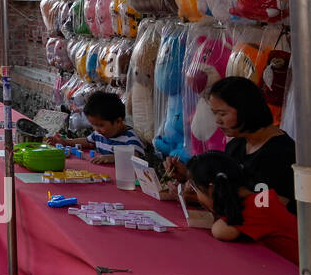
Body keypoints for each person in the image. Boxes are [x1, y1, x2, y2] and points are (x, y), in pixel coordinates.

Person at [164, 77, 297, 212]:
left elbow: (282, 208)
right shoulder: (236, 145)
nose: (218, 121)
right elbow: (225, 187)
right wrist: (188, 176)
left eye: (222, 114)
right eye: (215, 114)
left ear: (246, 109)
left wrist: (200, 198)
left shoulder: (283, 154)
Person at [184, 151, 298, 264]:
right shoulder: (257, 198)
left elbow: (220, 231)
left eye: (196, 189)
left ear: (211, 188)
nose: (196, 195)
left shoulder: (257, 206)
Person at [48, 91, 143, 165]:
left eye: (101, 125)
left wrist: (113, 158)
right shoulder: (99, 134)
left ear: (118, 121)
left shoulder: (130, 137)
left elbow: (135, 156)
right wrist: (66, 142)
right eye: (93, 125)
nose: (96, 129)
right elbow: (88, 142)